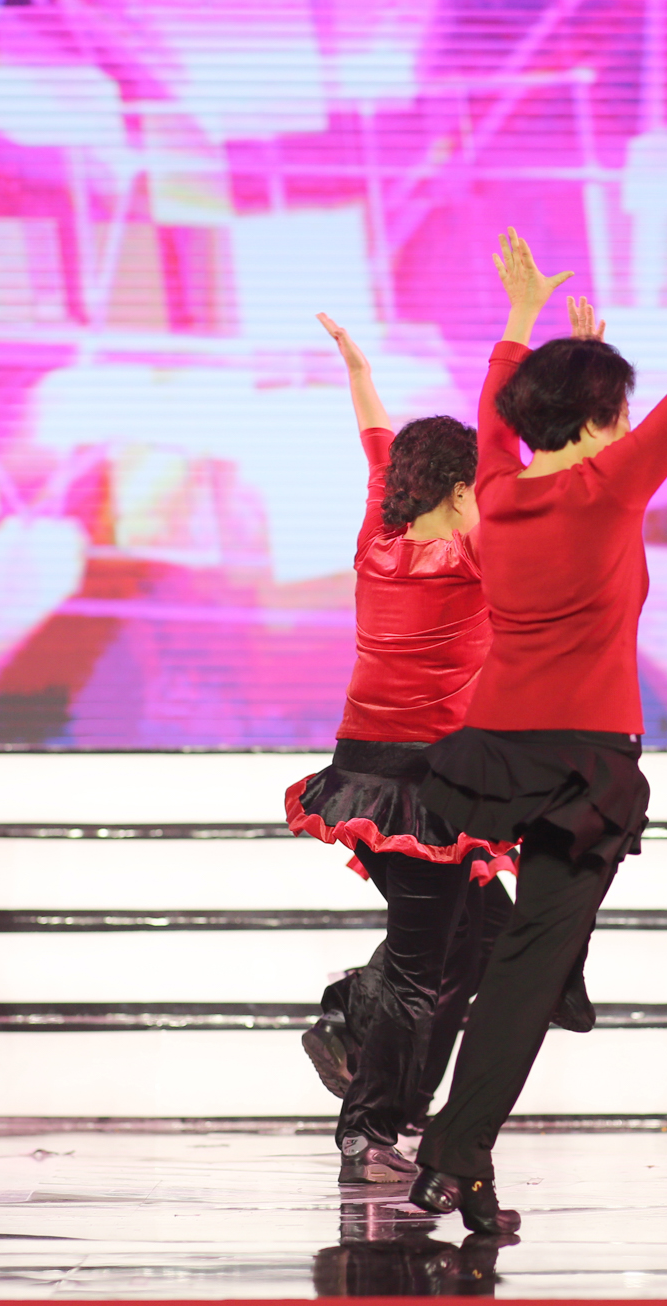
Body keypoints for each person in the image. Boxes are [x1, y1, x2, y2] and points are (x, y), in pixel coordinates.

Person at [410, 178, 667, 1234]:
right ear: (603, 420)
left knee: (542, 950)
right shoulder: (611, 487)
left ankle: (555, 987)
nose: (634, 425)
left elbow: (491, 418)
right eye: (621, 412)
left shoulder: (497, 491)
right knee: (527, 968)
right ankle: (455, 1153)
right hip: (582, 762)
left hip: (494, 749)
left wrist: (519, 321)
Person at [284, 312, 521, 1184]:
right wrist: (516, 334)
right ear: (460, 489)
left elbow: (377, 448)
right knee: (423, 966)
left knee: (482, 939)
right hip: (423, 786)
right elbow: (495, 462)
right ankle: (366, 1127)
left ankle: (363, 1034)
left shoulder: (378, 541)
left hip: (363, 774)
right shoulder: (470, 556)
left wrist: (360, 374)